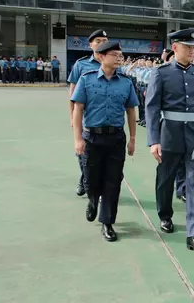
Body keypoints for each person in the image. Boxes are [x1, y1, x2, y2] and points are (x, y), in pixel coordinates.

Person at [145, 29, 194, 252]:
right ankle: (165, 215)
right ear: (175, 48)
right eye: (187, 47)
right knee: (165, 180)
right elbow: (152, 107)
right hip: (169, 135)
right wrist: (153, 140)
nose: (192, 51)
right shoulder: (161, 73)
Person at [71, 41, 138, 242]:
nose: (119, 58)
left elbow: (131, 111)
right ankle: (93, 200)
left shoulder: (126, 82)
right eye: (114, 55)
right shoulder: (86, 79)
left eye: (120, 55)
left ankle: (107, 222)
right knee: (91, 178)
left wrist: (132, 138)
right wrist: (78, 138)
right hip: (92, 137)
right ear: (101, 56)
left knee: (113, 181)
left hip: (116, 138)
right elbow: (78, 110)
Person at [67, 29, 109, 196]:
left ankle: (96, 183)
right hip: (86, 117)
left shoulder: (113, 62)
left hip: (106, 117)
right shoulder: (81, 65)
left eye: (104, 40)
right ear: (90, 44)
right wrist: (72, 117)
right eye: (97, 40)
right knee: (83, 151)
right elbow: (72, 94)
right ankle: (85, 178)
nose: (101, 43)